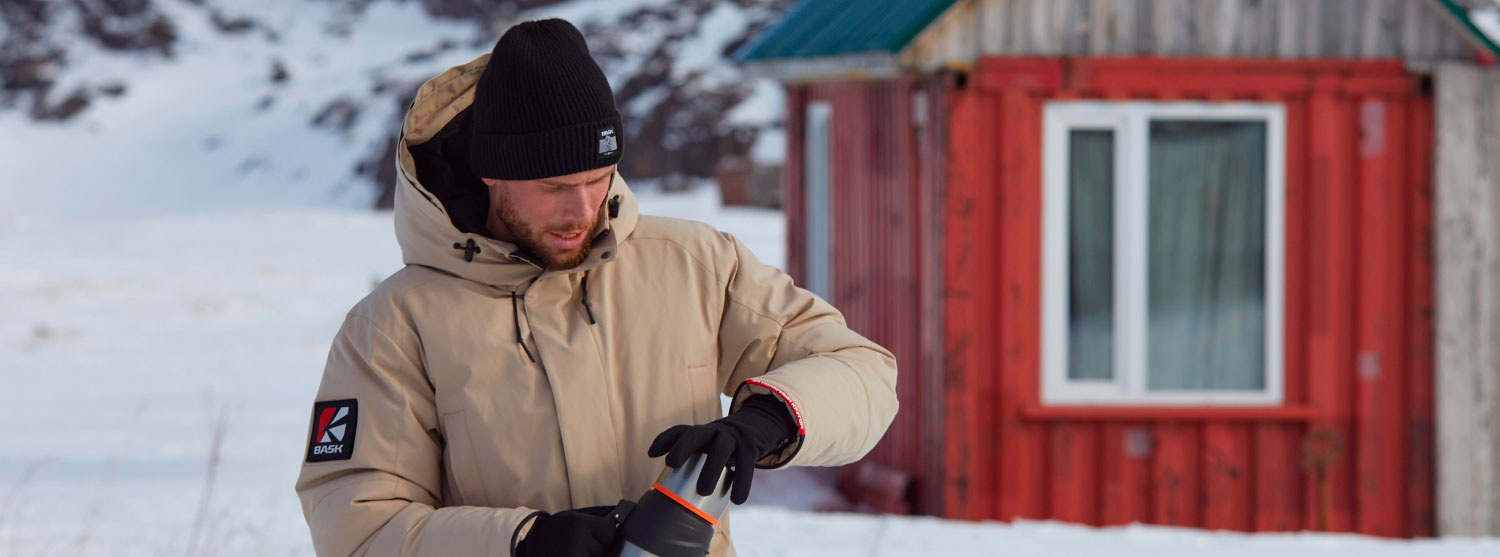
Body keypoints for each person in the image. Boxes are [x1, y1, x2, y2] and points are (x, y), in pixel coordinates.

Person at [294, 18, 898, 557]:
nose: (583, 210)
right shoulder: (397, 323)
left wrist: (770, 417)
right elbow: (357, 528)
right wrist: (521, 543)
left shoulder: (695, 263)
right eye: (554, 187)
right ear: (491, 173)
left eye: (598, 177)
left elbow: (860, 370)